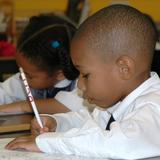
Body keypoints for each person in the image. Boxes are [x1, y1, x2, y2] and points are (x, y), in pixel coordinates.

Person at [5, 4, 160, 159]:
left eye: (85, 75)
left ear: (124, 69)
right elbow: (89, 122)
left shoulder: (154, 107)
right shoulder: (117, 102)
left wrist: (47, 142)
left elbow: (120, 143)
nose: (79, 84)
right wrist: (56, 123)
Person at [0, 13, 83, 114]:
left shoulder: (82, 84)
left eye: (28, 75)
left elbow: (68, 105)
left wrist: (23, 106)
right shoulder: (26, 79)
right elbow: (4, 92)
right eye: (20, 70)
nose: (22, 78)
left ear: (60, 74)